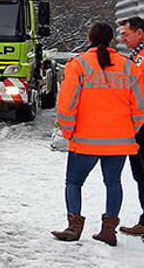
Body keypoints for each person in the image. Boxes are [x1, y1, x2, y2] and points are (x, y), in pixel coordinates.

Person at [51, 21, 144, 246]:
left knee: (74, 182)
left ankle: (74, 227)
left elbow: (67, 103)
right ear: (111, 40)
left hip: (85, 140)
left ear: (89, 38)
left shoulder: (78, 64)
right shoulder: (129, 66)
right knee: (113, 183)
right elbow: (139, 107)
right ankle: (109, 231)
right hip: (119, 140)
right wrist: (129, 130)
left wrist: (68, 130)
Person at [118, 16, 144, 236]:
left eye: (125, 34)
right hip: (137, 124)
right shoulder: (136, 56)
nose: (122, 39)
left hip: (142, 123)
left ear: (139, 33)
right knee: (139, 174)